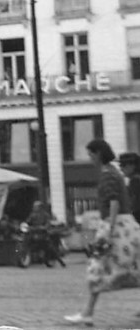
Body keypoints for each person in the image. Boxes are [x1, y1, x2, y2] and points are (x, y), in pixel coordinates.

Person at [64, 138, 140, 326]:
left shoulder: (108, 175)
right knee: (117, 268)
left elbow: (113, 202)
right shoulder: (114, 173)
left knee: (97, 267)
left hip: (115, 225)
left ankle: (87, 313)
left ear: (98, 154)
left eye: (90, 154)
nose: (89, 157)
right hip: (125, 225)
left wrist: (109, 229)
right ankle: (87, 312)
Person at [119, 152, 140, 223]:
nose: (121, 168)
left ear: (133, 165)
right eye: (120, 165)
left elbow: (134, 204)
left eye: (123, 165)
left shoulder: (135, 180)